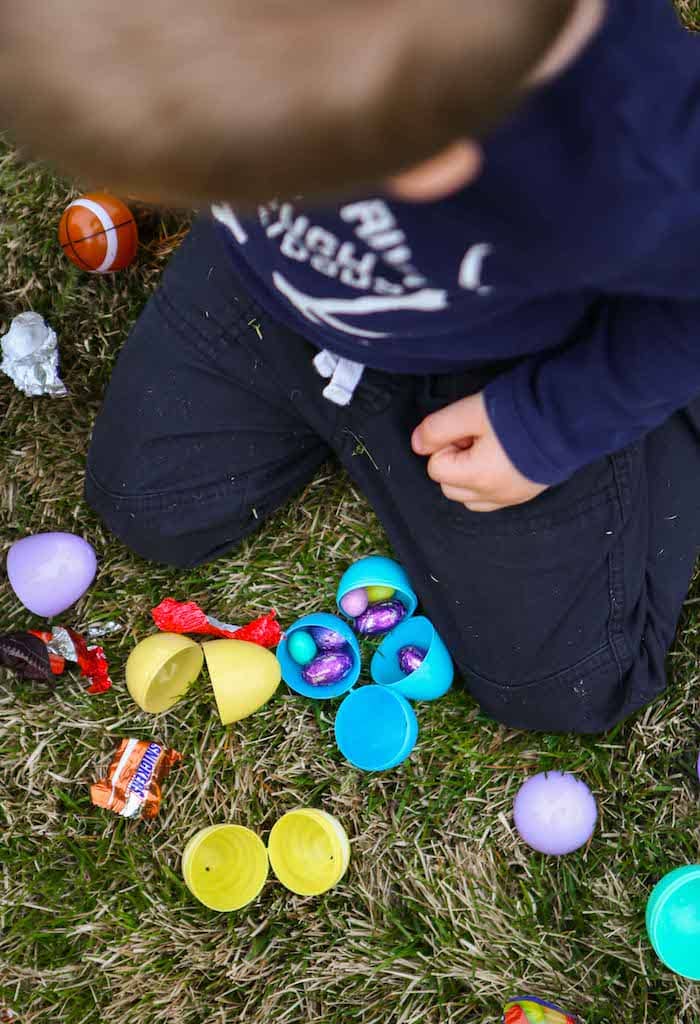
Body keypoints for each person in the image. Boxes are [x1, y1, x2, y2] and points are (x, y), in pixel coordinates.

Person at [11, 0, 700, 733]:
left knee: (573, 684)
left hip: (506, 360)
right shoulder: (265, 65)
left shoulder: (631, 152)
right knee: (147, 506)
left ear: (431, 159)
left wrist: (552, 424)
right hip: (277, 293)